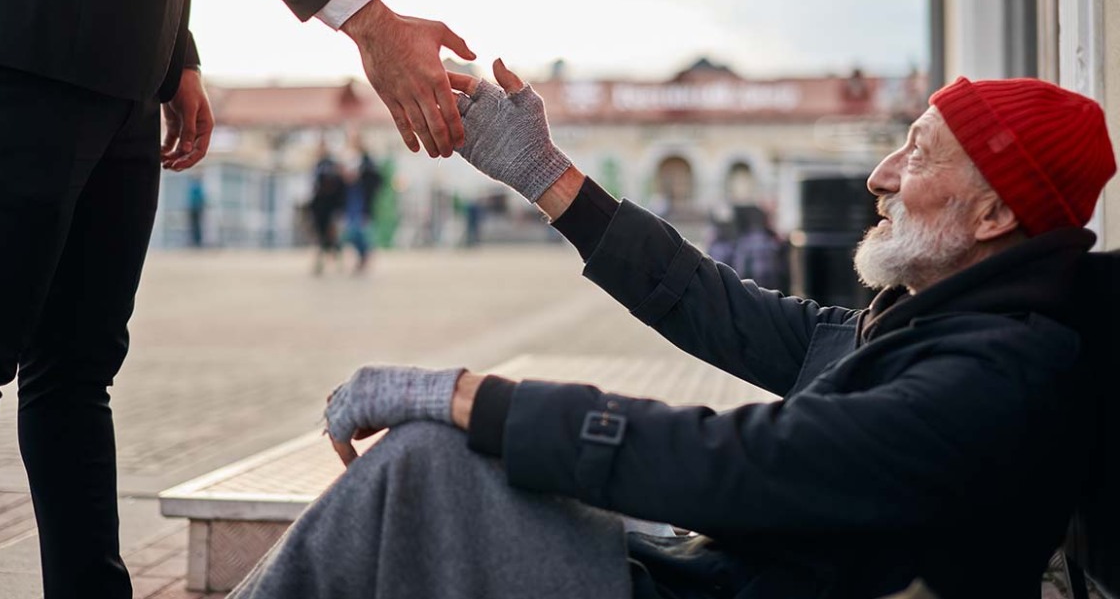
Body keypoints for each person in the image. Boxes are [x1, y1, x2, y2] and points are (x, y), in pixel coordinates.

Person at [227, 62, 1116, 599]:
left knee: (431, 462)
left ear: (995, 213)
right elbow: (706, 301)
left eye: (917, 154)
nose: (879, 176)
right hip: (714, 577)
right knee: (429, 481)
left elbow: (742, 465)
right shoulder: (929, 329)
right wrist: (543, 173)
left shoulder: (997, 376)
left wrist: (471, 399)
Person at [0, 0, 476, 597]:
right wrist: (371, 24)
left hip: (130, 75)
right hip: (16, 42)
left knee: (77, 373)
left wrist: (177, 53)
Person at [340, 149, 384, 274]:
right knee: (350, 235)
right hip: (350, 213)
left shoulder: (364, 185)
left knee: (361, 235)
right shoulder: (346, 188)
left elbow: (377, 183)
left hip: (362, 212)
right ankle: (362, 257)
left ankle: (364, 258)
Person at [309, 147, 346, 275]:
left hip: (329, 208)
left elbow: (339, 190)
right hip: (321, 209)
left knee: (329, 237)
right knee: (324, 237)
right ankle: (324, 261)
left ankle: (328, 260)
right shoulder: (318, 168)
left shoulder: (330, 169)